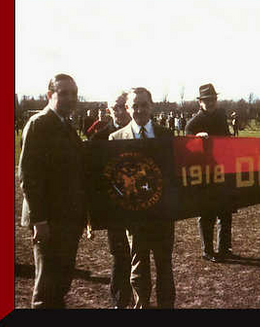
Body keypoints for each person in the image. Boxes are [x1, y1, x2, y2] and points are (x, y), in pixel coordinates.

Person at [19, 73, 86, 308]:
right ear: (50, 95)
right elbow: (29, 177)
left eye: (74, 94)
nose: (70, 98)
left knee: (60, 284)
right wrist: (39, 220)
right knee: (46, 291)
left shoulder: (65, 125)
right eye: (64, 93)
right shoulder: (40, 124)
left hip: (67, 219)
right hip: (49, 221)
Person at [109, 87, 175, 309]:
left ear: (152, 106)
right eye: (135, 105)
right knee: (138, 268)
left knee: (165, 266)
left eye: (144, 104)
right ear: (127, 108)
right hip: (135, 218)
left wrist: (200, 141)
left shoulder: (166, 135)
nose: (139, 110)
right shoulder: (115, 138)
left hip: (163, 215)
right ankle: (142, 307)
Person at [90, 92, 133, 309]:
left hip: (139, 206)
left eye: (122, 107)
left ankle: (137, 297)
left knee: (138, 255)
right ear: (109, 110)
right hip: (114, 209)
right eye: (114, 108)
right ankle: (119, 301)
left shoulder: (144, 135)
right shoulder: (99, 139)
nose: (118, 111)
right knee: (119, 256)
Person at [185, 83, 234, 263]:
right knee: (206, 213)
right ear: (200, 103)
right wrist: (197, 139)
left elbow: (227, 137)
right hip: (204, 174)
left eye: (213, 99)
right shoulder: (194, 122)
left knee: (225, 212)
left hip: (222, 170)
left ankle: (224, 248)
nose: (211, 102)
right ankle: (207, 250)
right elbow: (187, 139)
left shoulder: (221, 116)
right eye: (207, 100)